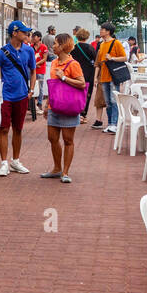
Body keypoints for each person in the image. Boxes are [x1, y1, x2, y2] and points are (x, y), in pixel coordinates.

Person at [0, 20, 37, 175]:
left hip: (23, 95)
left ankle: (15, 161)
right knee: (4, 128)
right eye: (24, 32)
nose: (27, 35)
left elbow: (33, 71)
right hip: (6, 96)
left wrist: (31, 89)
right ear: (15, 33)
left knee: (18, 128)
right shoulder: (2, 53)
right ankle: (4, 162)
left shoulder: (28, 51)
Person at [42, 32, 86, 183]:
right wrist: (47, 104)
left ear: (62, 46)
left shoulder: (73, 64)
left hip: (68, 106)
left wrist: (64, 77)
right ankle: (56, 168)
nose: (53, 46)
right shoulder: (54, 62)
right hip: (55, 105)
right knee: (52, 138)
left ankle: (65, 172)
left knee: (68, 140)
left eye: (55, 43)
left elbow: (81, 83)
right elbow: (52, 86)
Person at [91, 22, 125, 132]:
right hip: (103, 77)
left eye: (103, 29)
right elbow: (99, 62)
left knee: (114, 101)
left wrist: (112, 58)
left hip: (113, 77)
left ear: (108, 31)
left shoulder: (116, 43)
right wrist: (96, 77)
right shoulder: (101, 45)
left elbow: (124, 58)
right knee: (108, 102)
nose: (100, 31)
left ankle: (114, 124)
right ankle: (110, 123)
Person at [71, 29, 97, 125]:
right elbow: (96, 60)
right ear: (87, 37)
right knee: (87, 94)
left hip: (75, 74)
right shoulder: (90, 48)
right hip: (88, 74)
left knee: (75, 94)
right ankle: (83, 114)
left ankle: (75, 113)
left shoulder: (73, 48)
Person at [31, 30, 49, 113]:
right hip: (32, 71)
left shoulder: (44, 47)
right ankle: (32, 105)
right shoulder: (30, 46)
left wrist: (35, 64)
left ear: (39, 38)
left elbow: (45, 58)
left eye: (34, 37)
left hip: (40, 70)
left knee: (40, 88)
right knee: (32, 87)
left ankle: (40, 103)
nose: (33, 38)